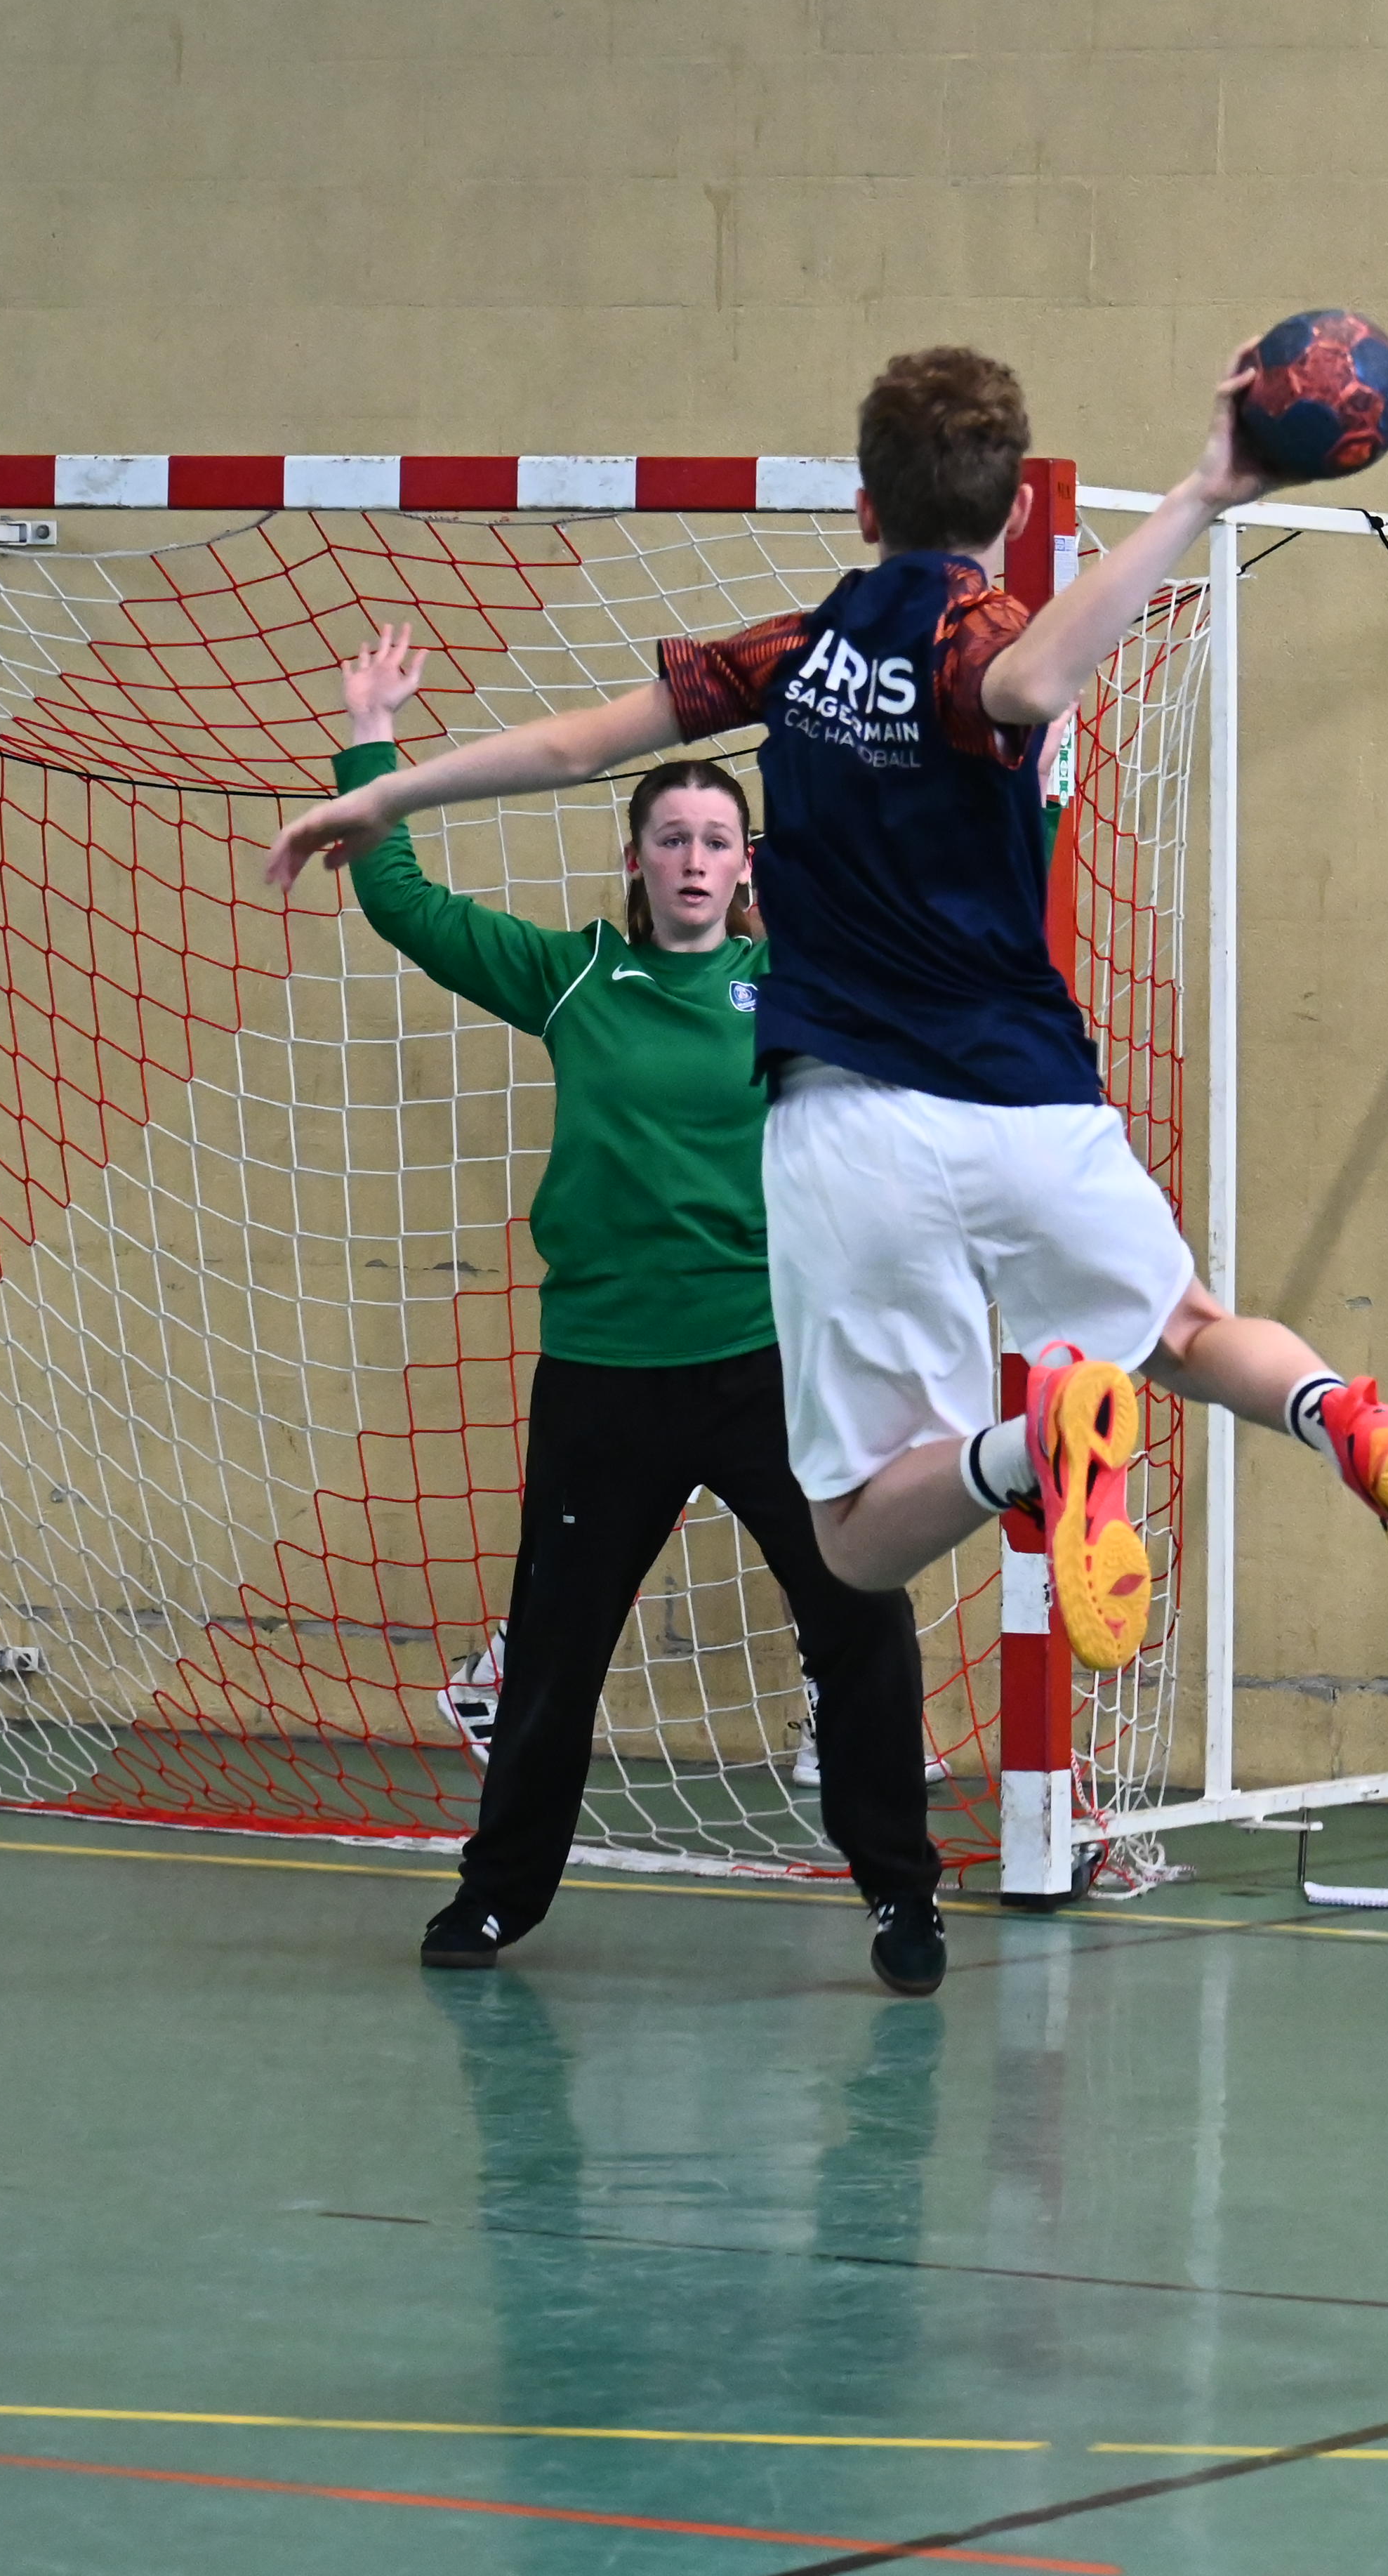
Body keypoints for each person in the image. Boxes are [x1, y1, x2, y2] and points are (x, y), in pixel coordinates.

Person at [270, 343, 1388, 1707]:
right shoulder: (980, 642)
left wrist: (384, 793)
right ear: (1020, 518)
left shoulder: (792, 654)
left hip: (850, 1127)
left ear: (862, 509)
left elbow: (581, 746)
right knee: (1189, 1329)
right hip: (1032, 1102)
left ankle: (1031, 1446)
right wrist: (1207, 491)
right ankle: (1346, 1414)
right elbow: (1030, 683)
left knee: (859, 1538)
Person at [302, 626, 949, 1995]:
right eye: (675, 837)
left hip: (774, 1368)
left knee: (861, 1620)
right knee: (555, 1647)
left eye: (721, 837)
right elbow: (404, 901)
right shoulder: (576, 978)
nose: (699, 858)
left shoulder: (806, 988)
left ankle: (903, 1896)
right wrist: (370, 740)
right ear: (639, 860)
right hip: (605, 1374)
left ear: (749, 864)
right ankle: (495, 1898)